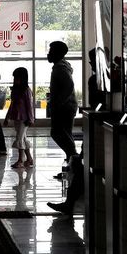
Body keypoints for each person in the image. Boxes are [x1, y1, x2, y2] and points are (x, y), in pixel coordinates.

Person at [47, 41, 78, 179]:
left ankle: (74, 160)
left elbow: (69, 86)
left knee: (58, 133)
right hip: (67, 106)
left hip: (64, 108)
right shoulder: (61, 66)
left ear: (58, 53)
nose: (48, 54)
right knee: (65, 134)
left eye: (51, 51)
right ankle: (72, 166)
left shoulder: (60, 68)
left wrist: (59, 103)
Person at [3, 67, 35, 168]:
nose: (15, 80)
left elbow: (30, 106)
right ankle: (29, 159)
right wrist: (7, 117)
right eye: (14, 78)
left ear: (23, 78)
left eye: (17, 78)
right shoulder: (15, 91)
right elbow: (12, 105)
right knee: (23, 138)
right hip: (17, 118)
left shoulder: (26, 90)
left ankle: (21, 160)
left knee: (19, 138)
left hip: (24, 119)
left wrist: (31, 119)